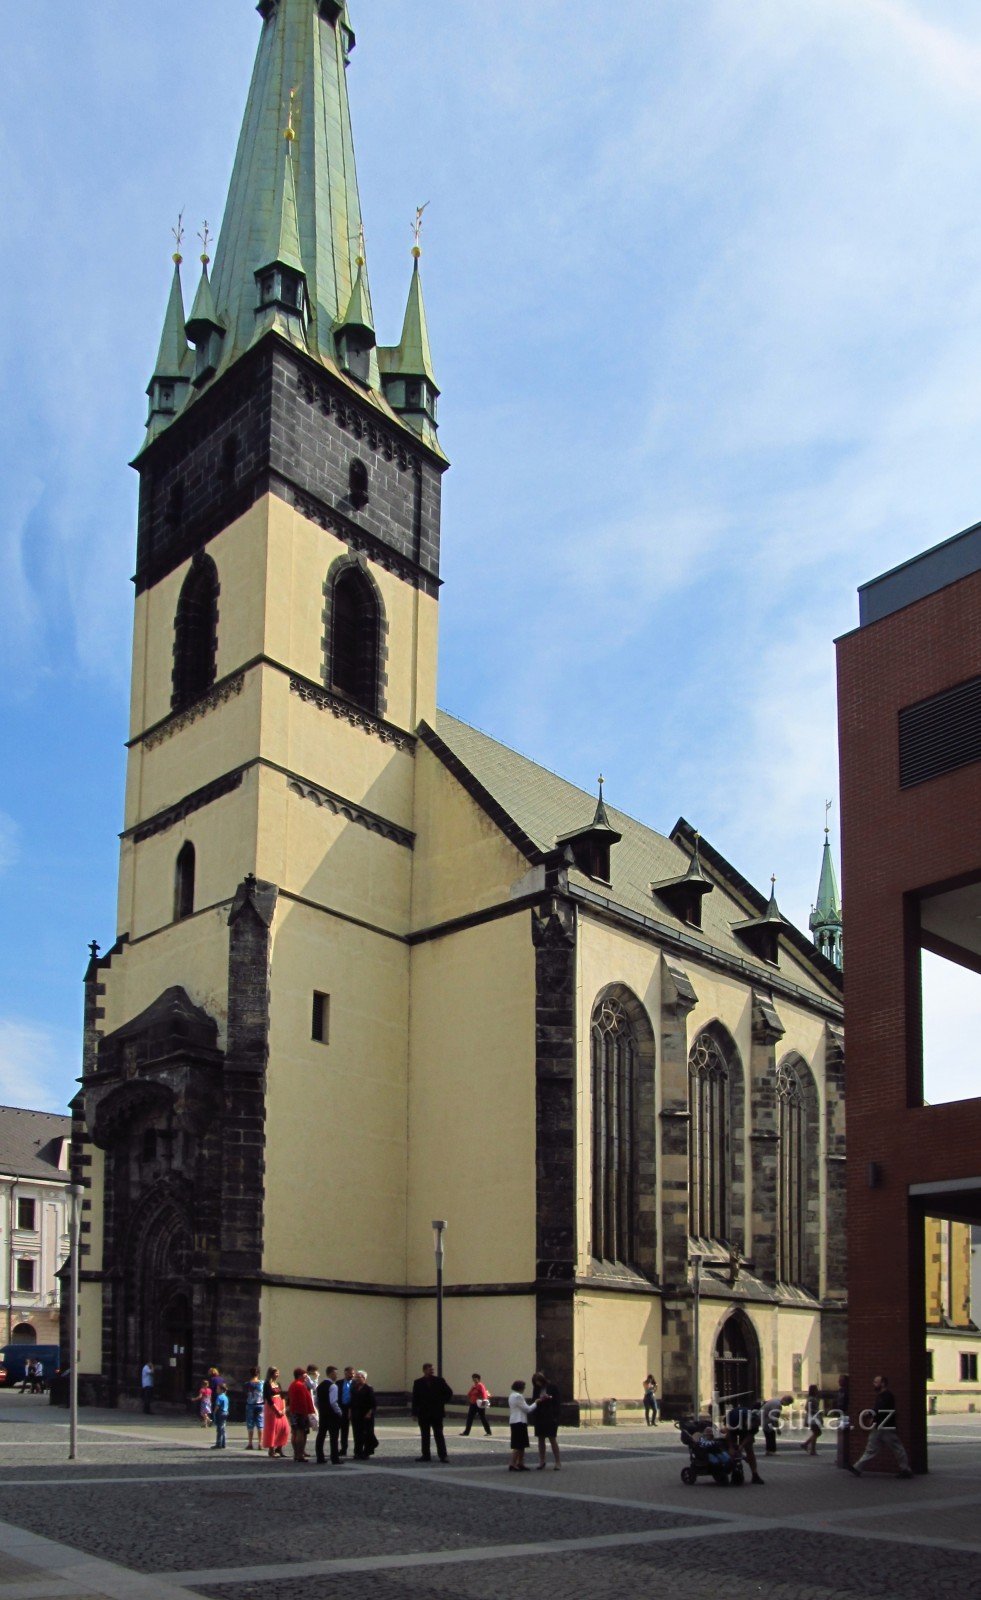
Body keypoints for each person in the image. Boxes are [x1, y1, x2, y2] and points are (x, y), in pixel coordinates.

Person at [848, 1375, 913, 1478]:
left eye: (876, 1382)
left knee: (890, 1447)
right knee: (879, 1447)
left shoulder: (886, 1396)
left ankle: (905, 1469)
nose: (874, 1384)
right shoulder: (882, 1396)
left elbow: (880, 1410)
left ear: (882, 1383)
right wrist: (872, 1416)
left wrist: (870, 1415)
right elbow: (879, 1410)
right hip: (881, 1426)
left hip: (885, 1426)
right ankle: (857, 1468)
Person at [411, 1362, 453, 1463]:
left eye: (432, 1369)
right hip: (423, 1412)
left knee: (438, 1434)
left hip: (436, 1412)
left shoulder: (439, 1381)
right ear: (424, 1370)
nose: (432, 1371)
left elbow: (449, 1393)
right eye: (430, 1369)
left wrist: (441, 1402)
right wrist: (414, 1413)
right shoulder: (418, 1382)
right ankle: (426, 1455)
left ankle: (443, 1455)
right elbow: (415, 1398)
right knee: (425, 1435)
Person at [725, 1398, 764, 1484]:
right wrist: (731, 1447)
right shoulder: (735, 1419)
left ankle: (755, 1475)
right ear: (747, 1421)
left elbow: (750, 1436)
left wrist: (742, 1446)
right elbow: (729, 1434)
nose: (750, 1428)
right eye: (749, 1425)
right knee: (733, 1450)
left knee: (749, 1449)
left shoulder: (755, 1423)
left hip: (742, 1426)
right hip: (732, 1422)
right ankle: (734, 1473)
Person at [532, 1370, 561, 1470]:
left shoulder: (552, 1387)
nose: (537, 1384)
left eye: (538, 1381)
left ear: (542, 1380)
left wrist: (555, 1416)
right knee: (540, 1439)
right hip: (540, 1416)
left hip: (550, 1416)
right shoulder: (536, 1389)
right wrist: (538, 1401)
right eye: (535, 1382)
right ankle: (542, 1461)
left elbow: (557, 1402)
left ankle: (557, 1462)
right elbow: (534, 1401)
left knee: (552, 1439)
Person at [286, 1366, 316, 1461]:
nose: (306, 1376)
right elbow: (303, 1400)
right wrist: (306, 1412)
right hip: (300, 1412)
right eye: (304, 1375)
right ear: (299, 1375)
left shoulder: (293, 1384)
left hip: (294, 1411)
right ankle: (299, 1454)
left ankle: (296, 1454)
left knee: (294, 1432)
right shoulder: (300, 1385)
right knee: (300, 1433)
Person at [315, 1365, 344, 1464]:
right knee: (334, 1437)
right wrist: (339, 1412)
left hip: (323, 1414)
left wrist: (321, 1409)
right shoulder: (333, 1386)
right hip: (332, 1415)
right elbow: (333, 1402)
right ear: (331, 1373)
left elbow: (316, 1401)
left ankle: (320, 1457)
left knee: (321, 1435)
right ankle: (335, 1458)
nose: (337, 1375)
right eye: (336, 1373)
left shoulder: (320, 1386)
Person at [508, 1379, 537, 1471]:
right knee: (518, 1444)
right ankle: (513, 1463)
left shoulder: (511, 1395)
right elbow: (527, 1409)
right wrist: (536, 1403)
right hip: (519, 1421)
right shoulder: (518, 1396)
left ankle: (520, 1463)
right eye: (523, 1387)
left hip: (515, 1421)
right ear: (520, 1388)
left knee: (522, 1444)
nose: (524, 1389)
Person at [261, 1367, 290, 1458]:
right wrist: (276, 1410)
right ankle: (271, 1449)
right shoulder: (267, 1384)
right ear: (271, 1373)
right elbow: (268, 1399)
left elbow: (282, 1396)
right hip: (272, 1408)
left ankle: (279, 1448)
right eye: (276, 1373)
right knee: (273, 1428)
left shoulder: (278, 1384)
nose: (278, 1375)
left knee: (285, 1428)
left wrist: (284, 1408)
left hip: (280, 1406)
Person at [350, 1370, 377, 1459]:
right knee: (357, 1434)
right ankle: (357, 1452)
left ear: (364, 1378)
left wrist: (369, 1412)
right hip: (356, 1414)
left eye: (359, 1377)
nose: (356, 1379)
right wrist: (350, 1412)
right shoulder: (354, 1387)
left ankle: (367, 1452)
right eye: (356, 1377)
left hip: (366, 1414)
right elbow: (352, 1401)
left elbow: (373, 1403)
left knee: (367, 1433)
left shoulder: (369, 1388)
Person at [244, 1367, 264, 1450]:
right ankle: (260, 1443)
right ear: (258, 1373)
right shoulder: (262, 1383)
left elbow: (245, 1393)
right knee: (260, 1424)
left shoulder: (247, 1384)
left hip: (250, 1405)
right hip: (260, 1404)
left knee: (250, 1424)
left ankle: (250, 1443)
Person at [338, 1366, 355, 1457]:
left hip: (353, 1408)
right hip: (342, 1408)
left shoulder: (356, 1383)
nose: (351, 1375)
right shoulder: (339, 1383)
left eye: (353, 1373)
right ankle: (343, 1448)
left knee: (357, 1429)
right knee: (344, 1430)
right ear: (345, 1373)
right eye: (349, 1373)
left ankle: (357, 1449)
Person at [801, 1384, 823, 1456]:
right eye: (816, 1389)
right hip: (813, 1418)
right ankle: (812, 1450)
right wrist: (815, 1412)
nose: (817, 1390)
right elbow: (807, 1408)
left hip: (813, 1417)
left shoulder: (813, 1398)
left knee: (817, 1432)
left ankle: (806, 1445)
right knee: (817, 1432)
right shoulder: (811, 1399)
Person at [212, 1381, 229, 1449]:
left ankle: (218, 1443)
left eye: (218, 1389)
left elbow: (217, 1406)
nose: (216, 1390)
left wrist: (214, 1412)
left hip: (220, 1413)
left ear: (221, 1390)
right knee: (223, 1429)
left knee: (219, 1429)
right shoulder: (225, 1397)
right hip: (225, 1412)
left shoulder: (219, 1397)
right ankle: (223, 1443)